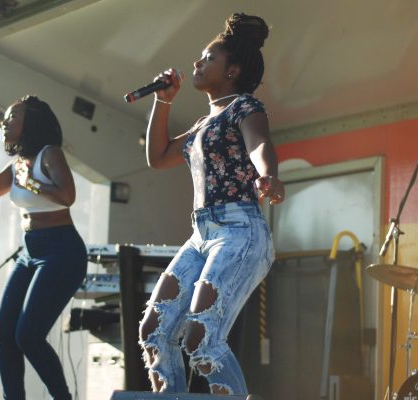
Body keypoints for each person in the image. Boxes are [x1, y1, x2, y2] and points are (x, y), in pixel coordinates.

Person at [138, 13, 284, 396]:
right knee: (154, 329)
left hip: (240, 231)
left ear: (232, 70)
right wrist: (163, 102)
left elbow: (260, 144)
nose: (197, 63)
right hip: (201, 234)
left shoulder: (244, 107)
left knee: (201, 334)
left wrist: (267, 174)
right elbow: (158, 156)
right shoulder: (204, 123)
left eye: (208, 58)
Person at [0, 95, 87, 400]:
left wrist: (33, 184)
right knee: (3, 333)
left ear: (31, 123)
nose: (4, 123)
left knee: (28, 335)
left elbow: (67, 195)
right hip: (30, 252)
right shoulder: (17, 163)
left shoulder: (49, 155)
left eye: (12, 118)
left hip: (61, 250)